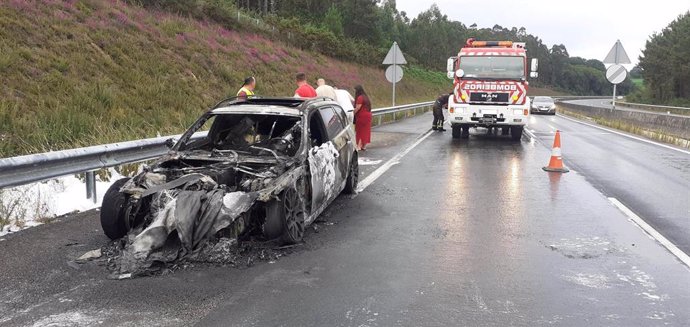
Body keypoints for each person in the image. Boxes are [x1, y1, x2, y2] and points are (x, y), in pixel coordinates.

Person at [354, 85, 372, 151]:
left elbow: (358, 108)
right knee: (366, 131)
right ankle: (363, 146)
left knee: (360, 131)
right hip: (368, 115)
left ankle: (358, 146)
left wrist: (353, 113)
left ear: (357, 91)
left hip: (362, 116)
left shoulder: (360, 98)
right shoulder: (366, 97)